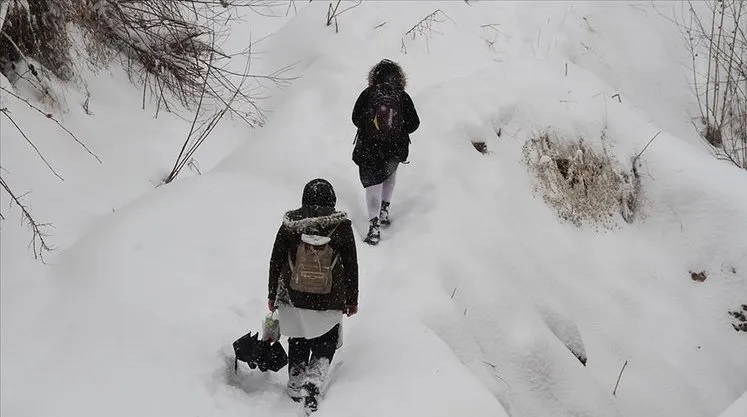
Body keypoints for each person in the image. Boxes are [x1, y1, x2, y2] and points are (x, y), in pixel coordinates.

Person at [267, 178, 359, 413]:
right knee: (325, 338)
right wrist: (351, 299)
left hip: (293, 295)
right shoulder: (341, 227)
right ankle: (314, 380)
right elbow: (351, 265)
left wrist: (272, 294)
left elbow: (276, 260)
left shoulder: (291, 225)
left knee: (298, 336)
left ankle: (296, 378)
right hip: (329, 297)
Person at [352, 58, 420, 245]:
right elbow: (414, 123)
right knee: (389, 173)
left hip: (369, 149)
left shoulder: (368, 94)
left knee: (372, 185)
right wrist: (397, 130)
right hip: (394, 149)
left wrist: (371, 126)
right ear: (399, 77)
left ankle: (374, 226)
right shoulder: (402, 96)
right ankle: (385, 209)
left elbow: (355, 118)